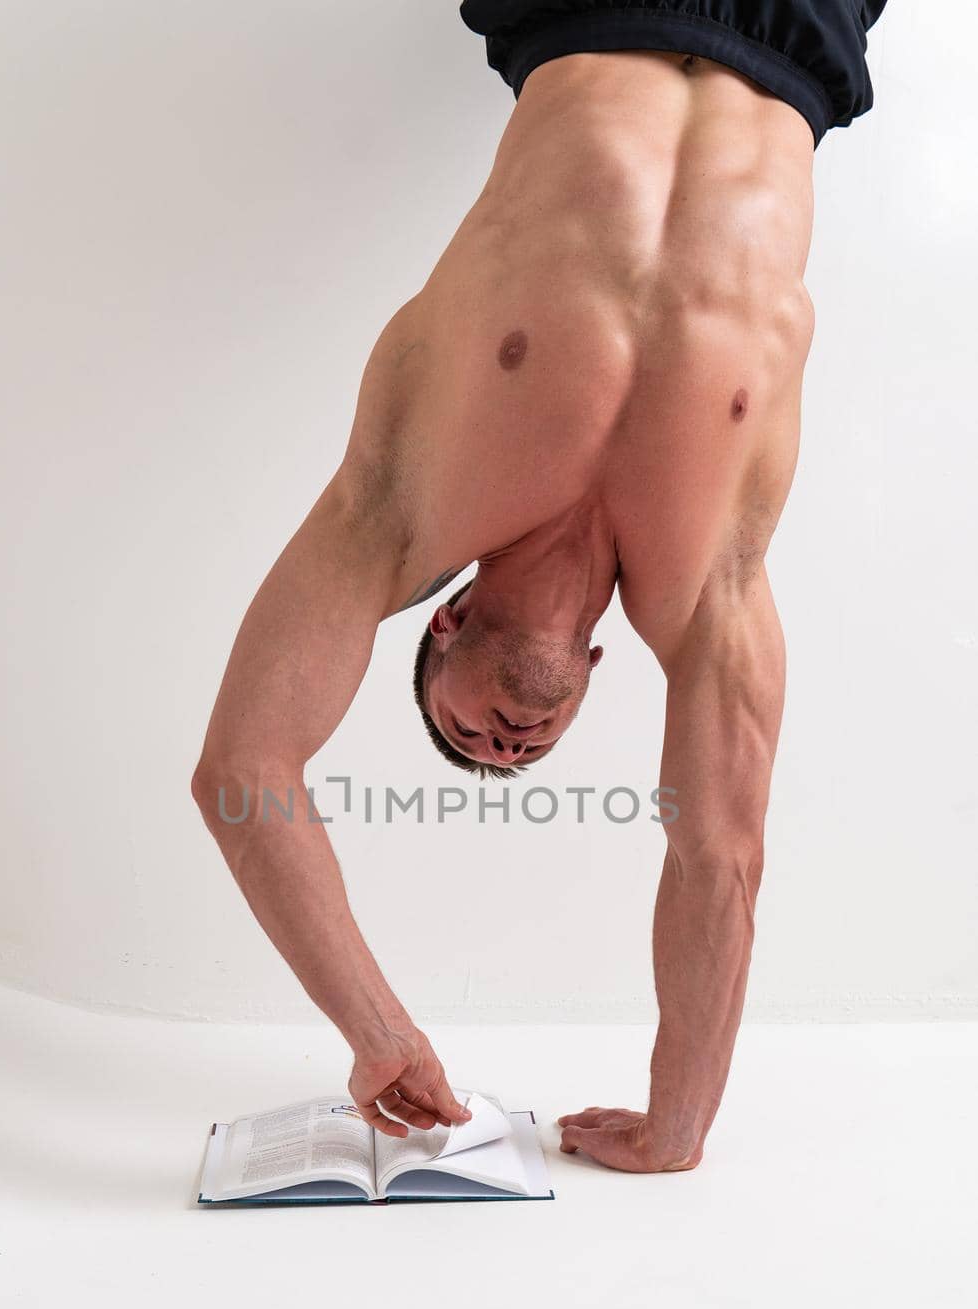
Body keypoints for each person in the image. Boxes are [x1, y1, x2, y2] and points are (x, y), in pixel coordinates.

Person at [192, 2, 888, 1172]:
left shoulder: (403, 506)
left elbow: (243, 772)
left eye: (463, 726)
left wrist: (377, 1036)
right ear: (587, 687)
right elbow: (720, 853)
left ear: (446, 621)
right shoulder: (707, 587)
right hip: (792, 29)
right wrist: (678, 1122)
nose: (505, 744)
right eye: (526, 752)